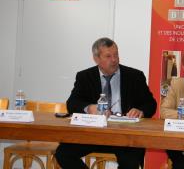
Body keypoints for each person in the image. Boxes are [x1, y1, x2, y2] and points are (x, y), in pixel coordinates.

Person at [55, 37, 157, 169]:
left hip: (124, 135)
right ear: (96, 59)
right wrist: (89, 108)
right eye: (108, 56)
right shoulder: (85, 76)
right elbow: (72, 103)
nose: (114, 59)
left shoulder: (134, 76)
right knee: (63, 154)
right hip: (93, 134)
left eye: (116, 54)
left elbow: (150, 103)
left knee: (130, 162)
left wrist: (140, 111)